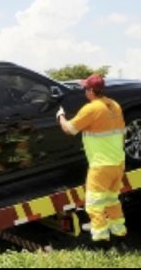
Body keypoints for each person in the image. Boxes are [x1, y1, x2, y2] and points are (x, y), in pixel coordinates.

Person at [56, 74, 128, 250]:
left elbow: (70, 129)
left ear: (90, 91)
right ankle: (119, 239)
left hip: (101, 166)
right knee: (112, 201)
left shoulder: (91, 109)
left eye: (85, 89)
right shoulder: (114, 105)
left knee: (94, 205)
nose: (84, 92)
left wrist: (60, 116)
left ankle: (101, 244)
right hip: (118, 163)